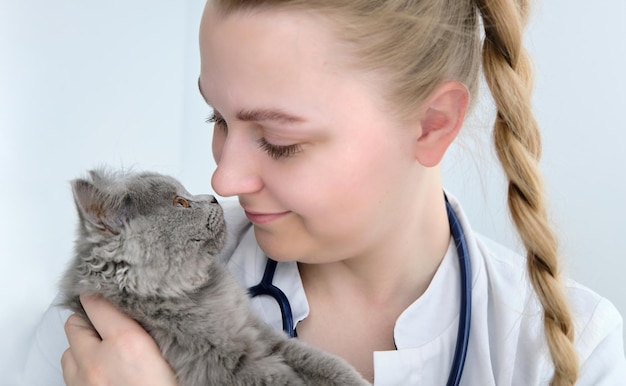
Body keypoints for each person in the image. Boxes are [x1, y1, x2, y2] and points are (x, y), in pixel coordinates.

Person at [22, 0, 626, 385]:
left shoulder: (576, 350)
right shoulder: (109, 317)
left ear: (430, 125)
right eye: (218, 121)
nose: (223, 181)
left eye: (280, 141)